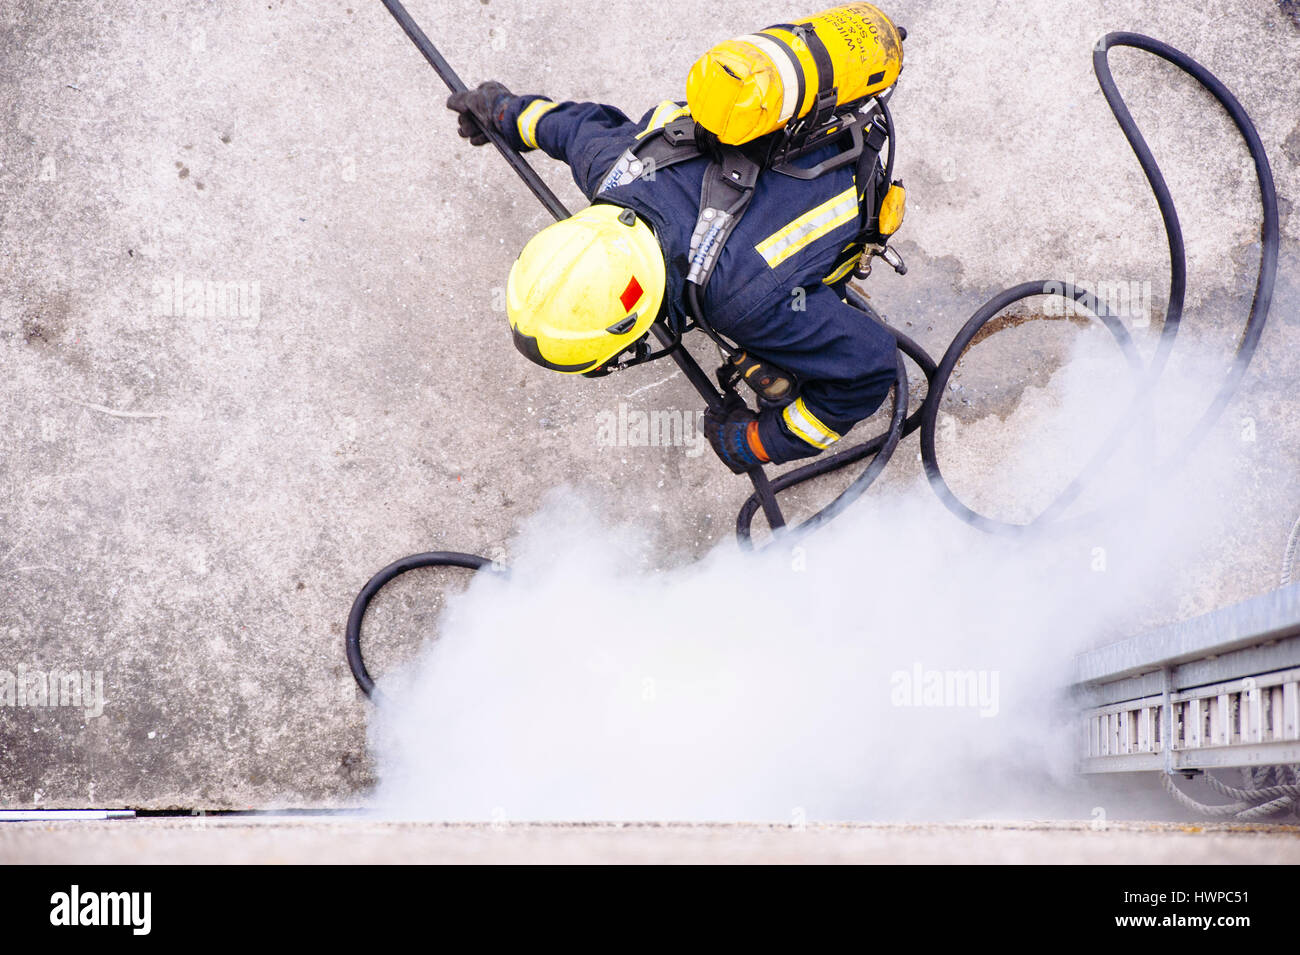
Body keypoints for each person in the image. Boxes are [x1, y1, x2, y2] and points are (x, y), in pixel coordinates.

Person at [446, 80, 898, 473]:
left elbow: (871, 367)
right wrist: (504, 112)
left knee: (800, 350)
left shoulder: (743, 303)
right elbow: (567, 127)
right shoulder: (612, 170)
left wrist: (758, 441)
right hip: (803, 119)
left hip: (849, 177)